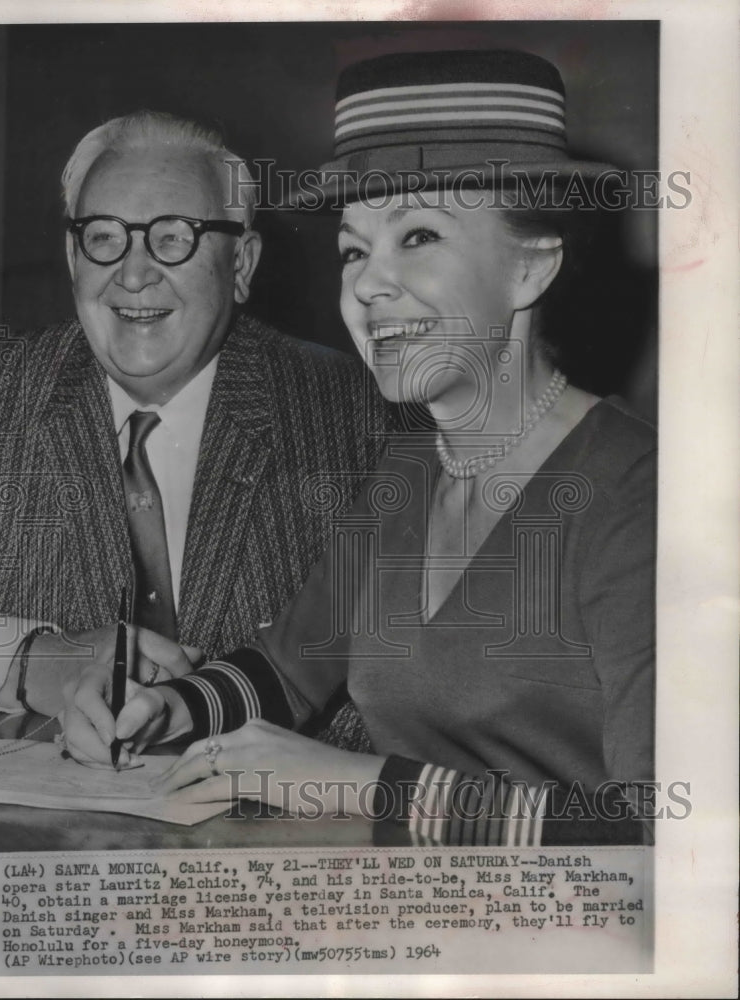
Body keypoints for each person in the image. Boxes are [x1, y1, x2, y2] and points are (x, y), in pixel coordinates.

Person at [63, 52, 656, 846]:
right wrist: (172, 707)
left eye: (417, 236)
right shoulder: (409, 471)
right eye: (353, 250)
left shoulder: (644, 491)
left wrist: (362, 785)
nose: (368, 287)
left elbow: (667, 831)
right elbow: (286, 668)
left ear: (530, 265)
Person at [0, 109, 391, 749]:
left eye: (174, 237)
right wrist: (24, 657)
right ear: (73, 254)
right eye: (103, 236)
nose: (133, 271)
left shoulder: (362, 417)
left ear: (241, 264)